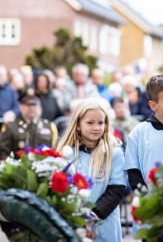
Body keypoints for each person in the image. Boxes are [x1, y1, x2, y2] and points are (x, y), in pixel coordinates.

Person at [56, 98, 125, 241]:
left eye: (101, 122)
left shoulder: (114, 152)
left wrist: (91, 218)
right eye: (90, 123)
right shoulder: (65, 152)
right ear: (78, 125)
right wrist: (77, 221)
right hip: (73, 223)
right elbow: (60, 188)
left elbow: (116, 190)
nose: (96, 127)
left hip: (105, 224)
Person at [0, 88, 58, 159]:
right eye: (28, 105)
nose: (32, 108)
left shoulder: (50, 127)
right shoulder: (10, 127)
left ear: (40, 107)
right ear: (20, 107)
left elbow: (55, 151)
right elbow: (3, 154)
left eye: (34, 104)